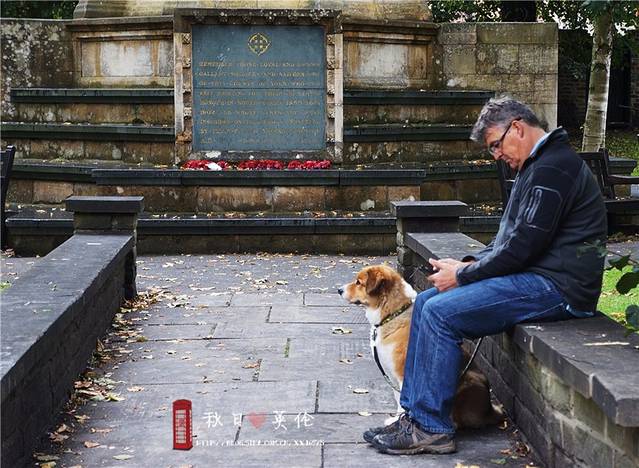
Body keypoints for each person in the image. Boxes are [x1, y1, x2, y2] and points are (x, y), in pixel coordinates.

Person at [367, 97, 608, 455]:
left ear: (518, 128)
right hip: (537, 277)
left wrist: (463, 275)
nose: (496, 155)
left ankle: (430, 428)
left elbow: (522, 248)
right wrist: (465, 263)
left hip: (559, 288)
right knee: (427, 302)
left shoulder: (554, 168)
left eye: (496, 144)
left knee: (439, 312)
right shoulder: (536, 166)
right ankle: (414, 416)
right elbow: (507, 240)